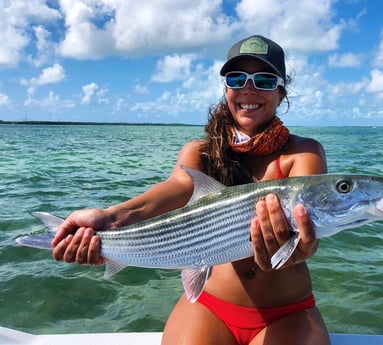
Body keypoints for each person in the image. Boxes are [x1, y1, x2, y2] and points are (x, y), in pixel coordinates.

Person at [51, 34, 330, 345]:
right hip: (211, 307)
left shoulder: (304, 153)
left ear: (281, 93)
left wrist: (303, 247)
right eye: (237, 79)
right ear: (227, 90)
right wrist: (112, 217)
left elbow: (310, 222)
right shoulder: (200, 152)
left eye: (264, 80)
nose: (249, 89)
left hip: (287, 312)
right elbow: (176, 187)